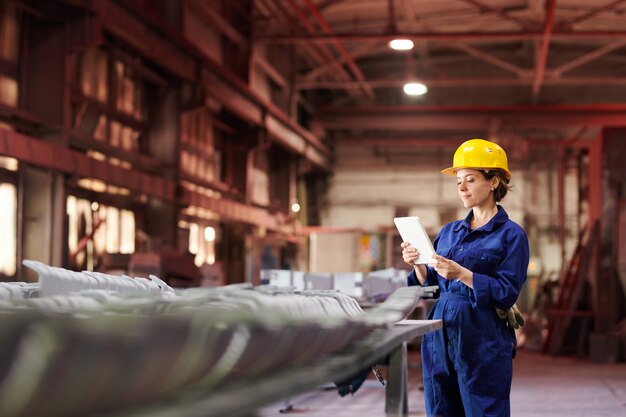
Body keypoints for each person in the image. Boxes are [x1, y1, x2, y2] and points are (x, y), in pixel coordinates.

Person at [401, 138, 529, 417]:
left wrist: (463, 274)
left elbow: (507, 291)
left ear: (494, 181)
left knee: (483, 411)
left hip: (482, 338)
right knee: (440, 409)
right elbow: (432, 289)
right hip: (440, 336)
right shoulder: (449, 232)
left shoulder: (511, 235)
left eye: (470, 179)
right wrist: (419, 266)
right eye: (458, 180)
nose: (461, 187)